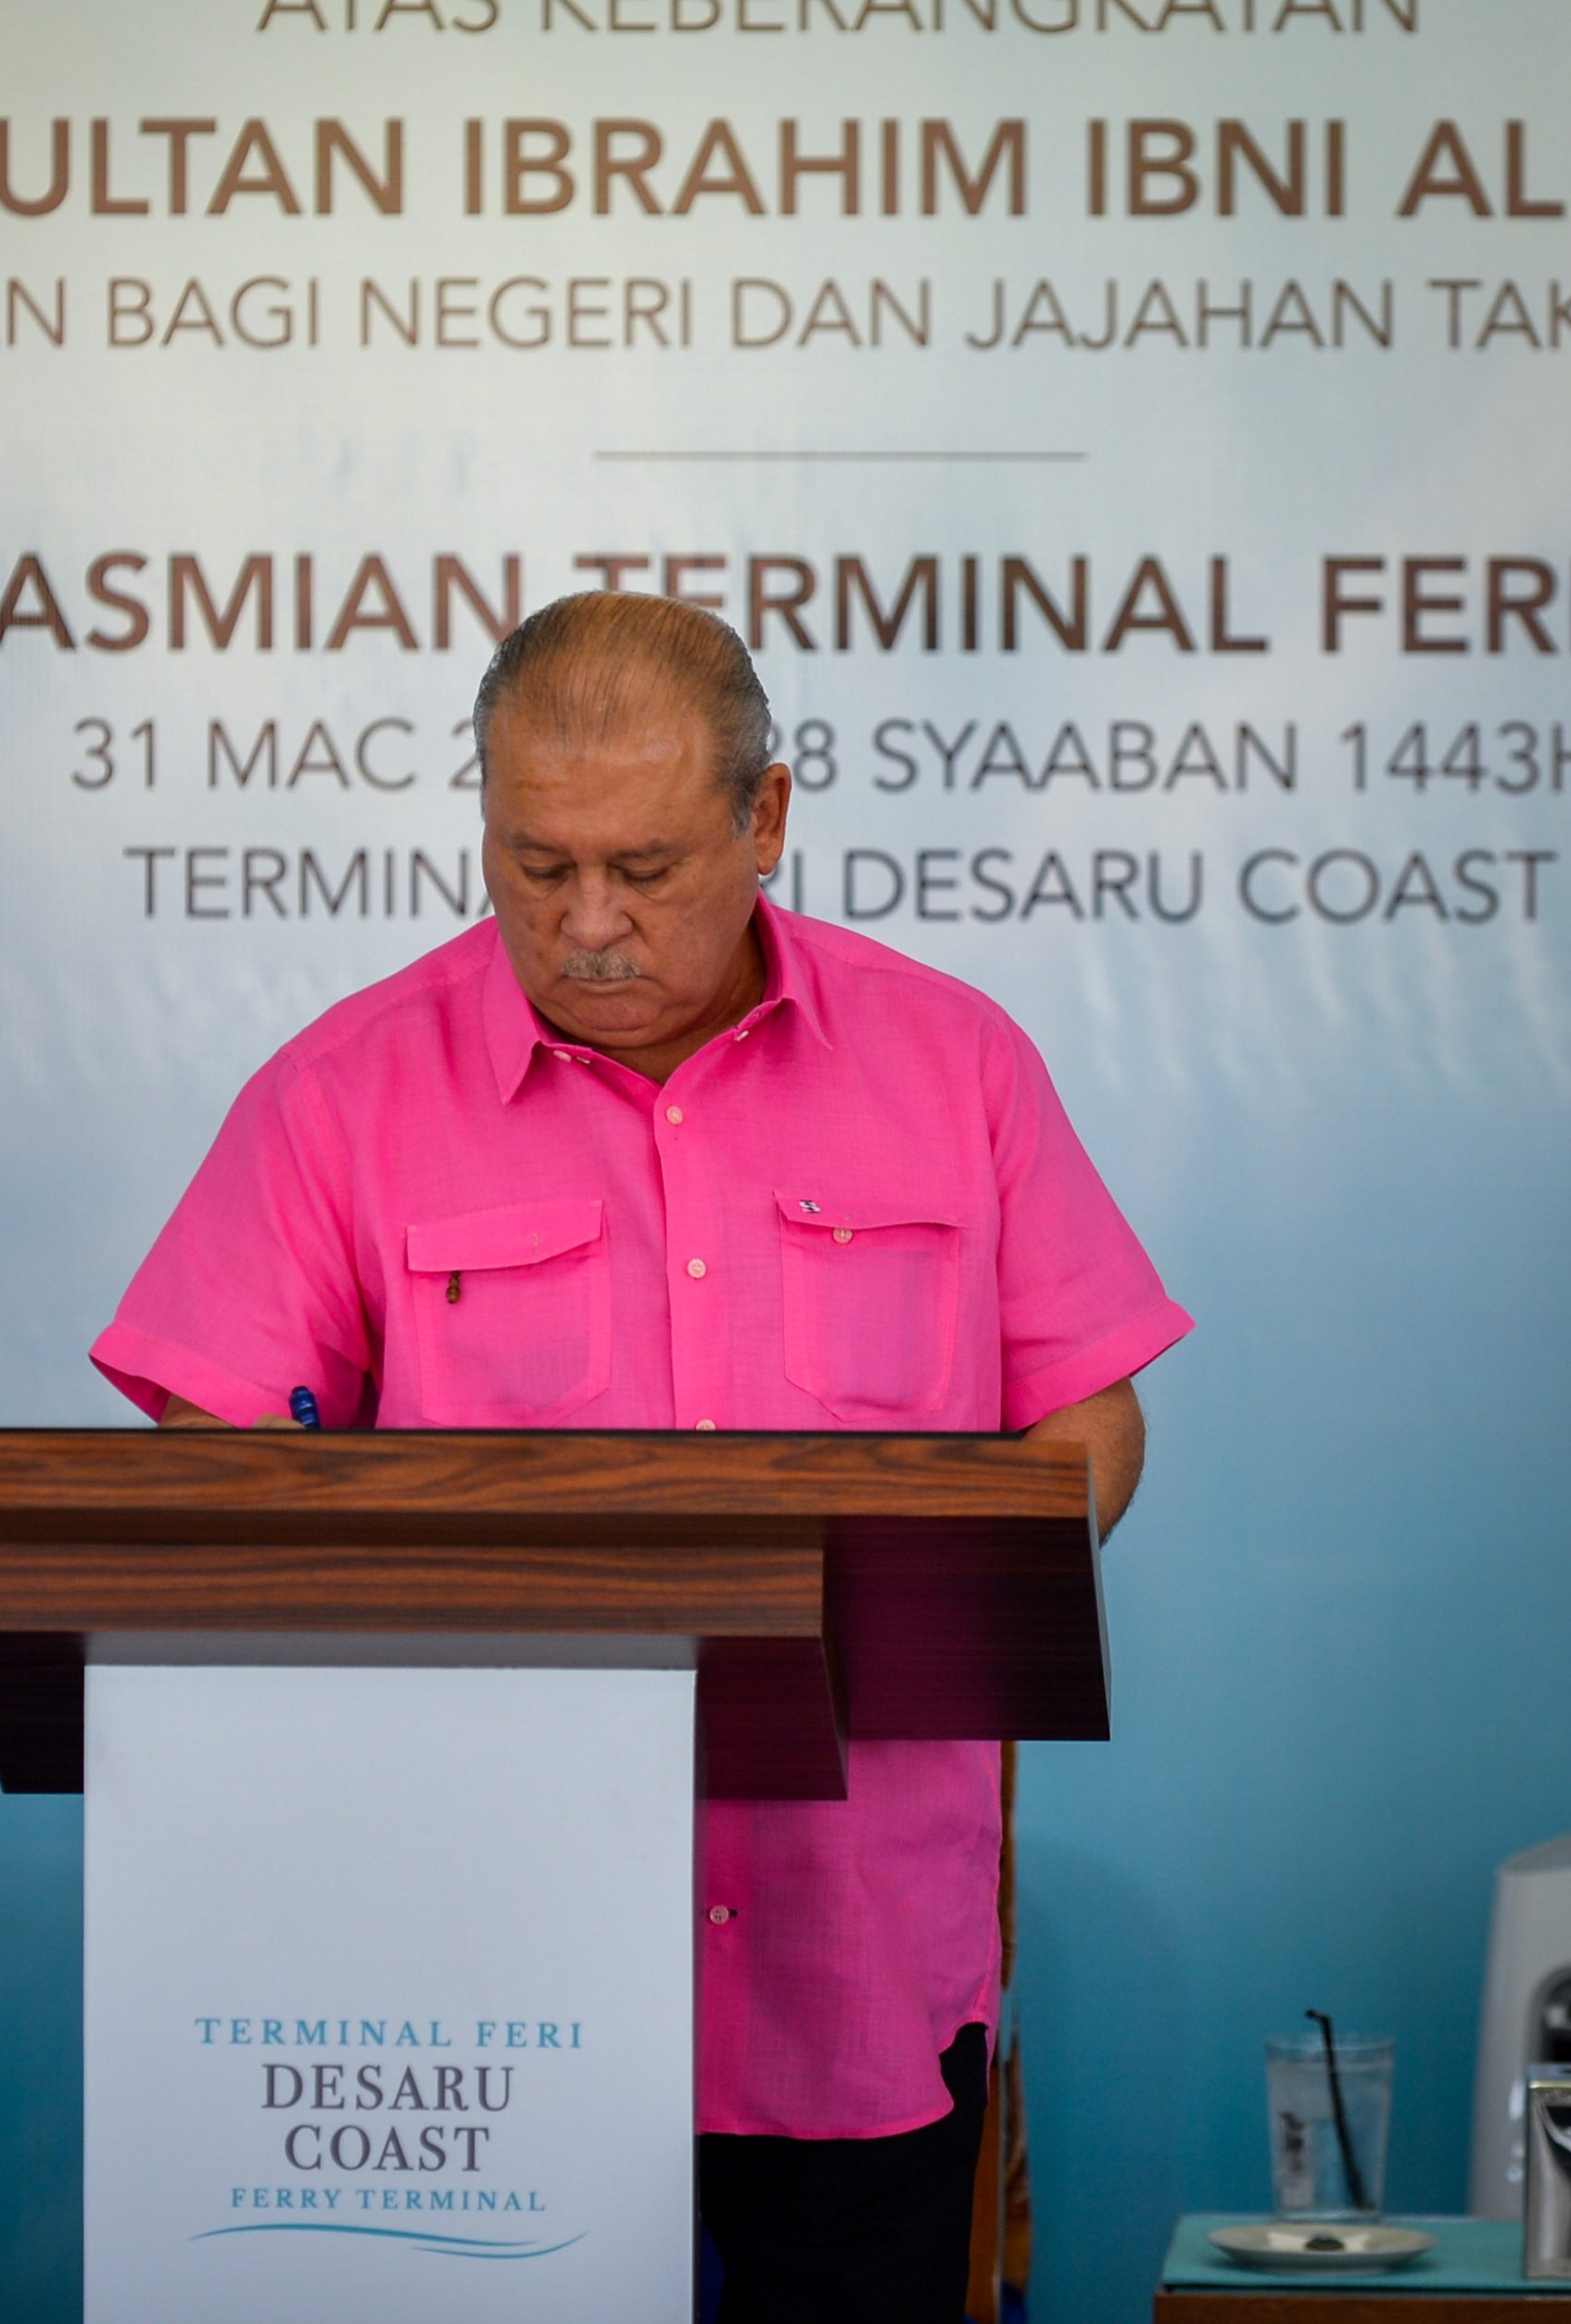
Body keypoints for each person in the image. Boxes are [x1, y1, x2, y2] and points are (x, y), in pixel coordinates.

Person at [92, 590, 1192, 2323]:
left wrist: (972, 1590)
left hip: (857, 1950)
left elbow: (1086, 1411)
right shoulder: (344, 1093)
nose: (588, 923)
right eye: (536, 867)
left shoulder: (955, 1064)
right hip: (476, 1974)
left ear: (766, 820)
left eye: (645, 869)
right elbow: (209, 1438)